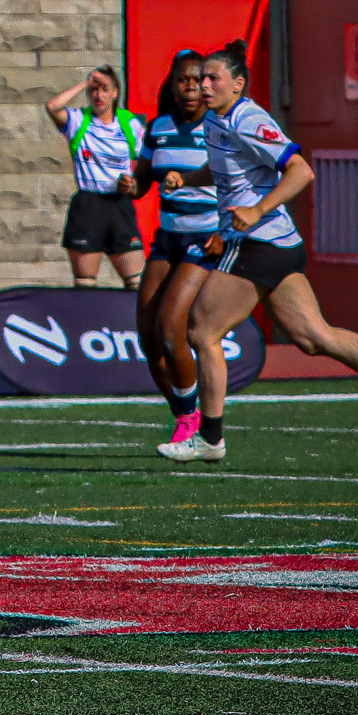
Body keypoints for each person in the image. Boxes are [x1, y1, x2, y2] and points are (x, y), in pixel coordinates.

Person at [157, 41, 358, 461]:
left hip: (259, 241)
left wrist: (257, 209)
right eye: (201, 78)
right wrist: (189, 180)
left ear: (238, 84)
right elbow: (221, 170)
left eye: (212, 78)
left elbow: (301, 170)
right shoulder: (216, 122)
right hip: (277, 245)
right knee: (314, 336)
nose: (204, 85)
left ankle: (210, 439)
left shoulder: (248, 118)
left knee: (202, 330)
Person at [131, 50, 220, 446]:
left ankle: (190, 419)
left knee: (171, 328)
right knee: (147, 336)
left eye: (196, 80)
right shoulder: (158, 127)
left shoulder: (220, 128)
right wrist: (128, 186)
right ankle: (185, 412)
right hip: (167, 239)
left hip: (204, 238)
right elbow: (141, 180)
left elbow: (239, 179)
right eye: (181, 80)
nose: (189, 87)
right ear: (171, 84)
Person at [45, 64, 146, 289]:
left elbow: (144, 164)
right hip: (89, 203)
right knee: (85, 283)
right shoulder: (79, 120)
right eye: (94, 90)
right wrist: (84, 83)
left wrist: (131, 184)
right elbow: (52, 106)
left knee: (137, 282)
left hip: (119, 204)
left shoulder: (130, 124)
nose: (98, 95)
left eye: (104, 89)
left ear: (115, 92)